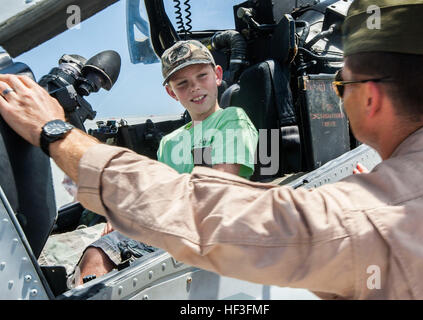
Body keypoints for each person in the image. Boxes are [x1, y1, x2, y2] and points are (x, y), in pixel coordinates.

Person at [0, 0, 423, 299]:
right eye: (181, 83)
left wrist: (56, 132)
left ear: (370, 98)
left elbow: (216, 209)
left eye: (339, 84)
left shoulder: (372, 213)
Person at [41, 40, 259, 285]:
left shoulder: (231, 119)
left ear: (217, 75)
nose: (195, 88)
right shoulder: (169, 141)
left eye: (202, 76)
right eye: (183, 84)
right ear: (171, 92)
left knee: (98, 255)